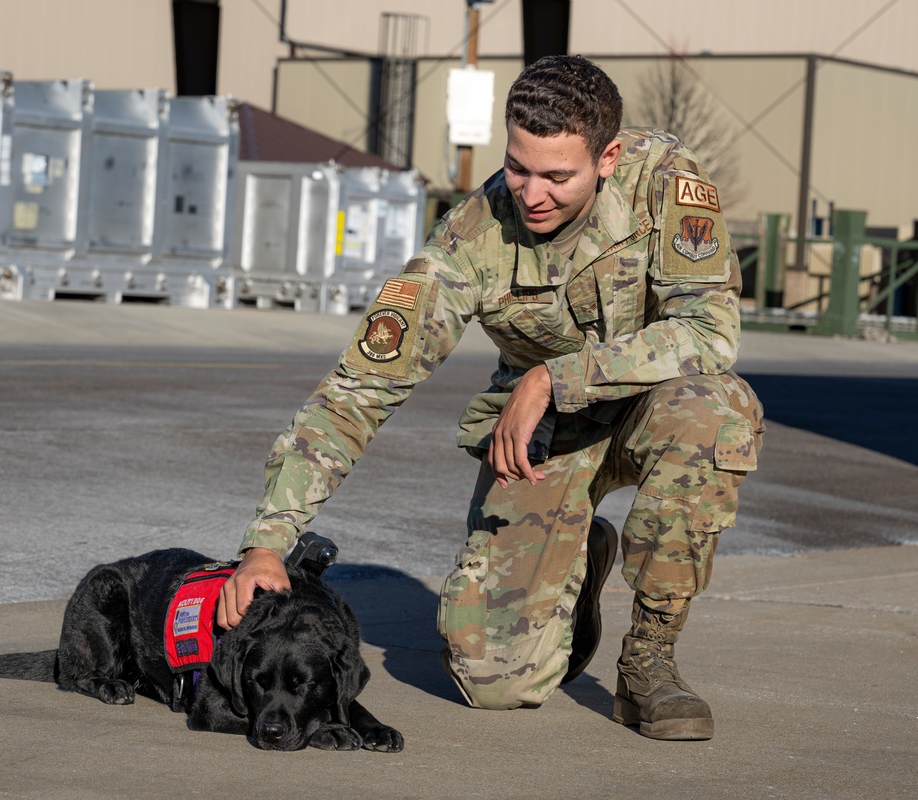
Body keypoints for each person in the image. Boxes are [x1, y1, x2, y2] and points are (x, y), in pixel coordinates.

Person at [216, 54, 764, 741]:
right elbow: (359, 391)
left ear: (609, 156)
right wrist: (268, 542)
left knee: (711, 415)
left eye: (558, 176)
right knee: (493, 679)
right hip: (546, 441)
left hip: (651, 408)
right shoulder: (472, 237)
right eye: (518, 166)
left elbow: (709, 332)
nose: (532, 193)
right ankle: (578, 559)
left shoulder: (665, 183)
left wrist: (551, 376)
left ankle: (648, 662)